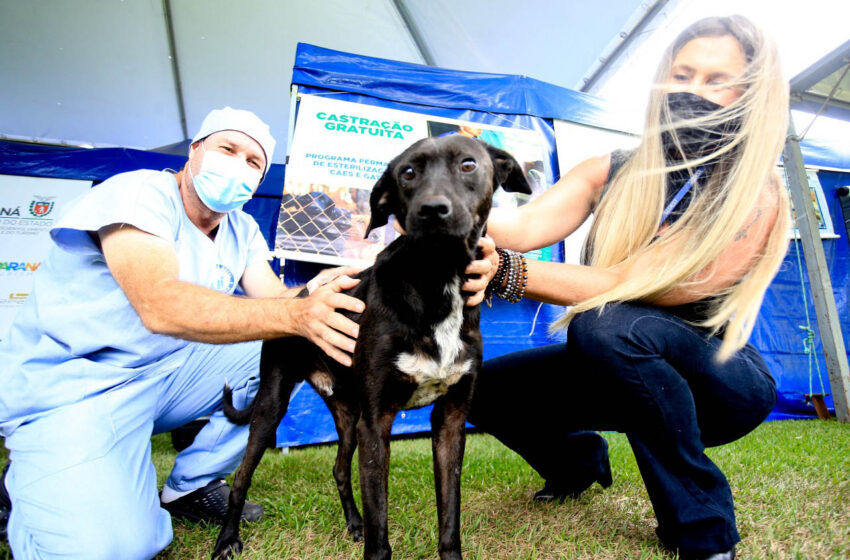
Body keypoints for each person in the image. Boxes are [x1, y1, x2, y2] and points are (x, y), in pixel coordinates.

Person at [469, 15, 790, 560]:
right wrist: (443, 202)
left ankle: (703, 528)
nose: (692, 90)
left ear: (750, 94)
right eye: (682, 74)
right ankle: (576, 462)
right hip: (610, 365)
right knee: (476, 385)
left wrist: (506, 272)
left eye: (716, 80)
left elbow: (631, 283)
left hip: (718, 383)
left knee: (609, 324)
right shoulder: (611, 169)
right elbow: (521, 228)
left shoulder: (755, 190)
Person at [0, 107, 365, 559]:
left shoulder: (241, 228)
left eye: (254, 162)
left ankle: (188, 487)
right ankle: (39, 475)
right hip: (78, 386)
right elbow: (159, 305)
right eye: (227, 149)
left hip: (167, 376)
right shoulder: (139, 193)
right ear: (195, 151)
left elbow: (274, 300)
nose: (239, 165)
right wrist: (297, 314)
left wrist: (331, 284)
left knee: (278, 348)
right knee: (105, 549)